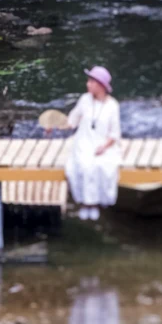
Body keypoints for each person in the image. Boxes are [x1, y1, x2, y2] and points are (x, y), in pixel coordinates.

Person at [65, 66, 121, 219]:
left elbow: (115, 134)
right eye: (88, 81)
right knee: (82, 165)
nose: (88, 84)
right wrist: (55, 125)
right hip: (83, 142)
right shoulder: (84, 100)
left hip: (103, 143)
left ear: (101, 86)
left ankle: (95, 203)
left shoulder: (112, 106)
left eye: (92, 82)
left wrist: (104, 147)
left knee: (101, 166)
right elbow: (72, 120)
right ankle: (84, 203)